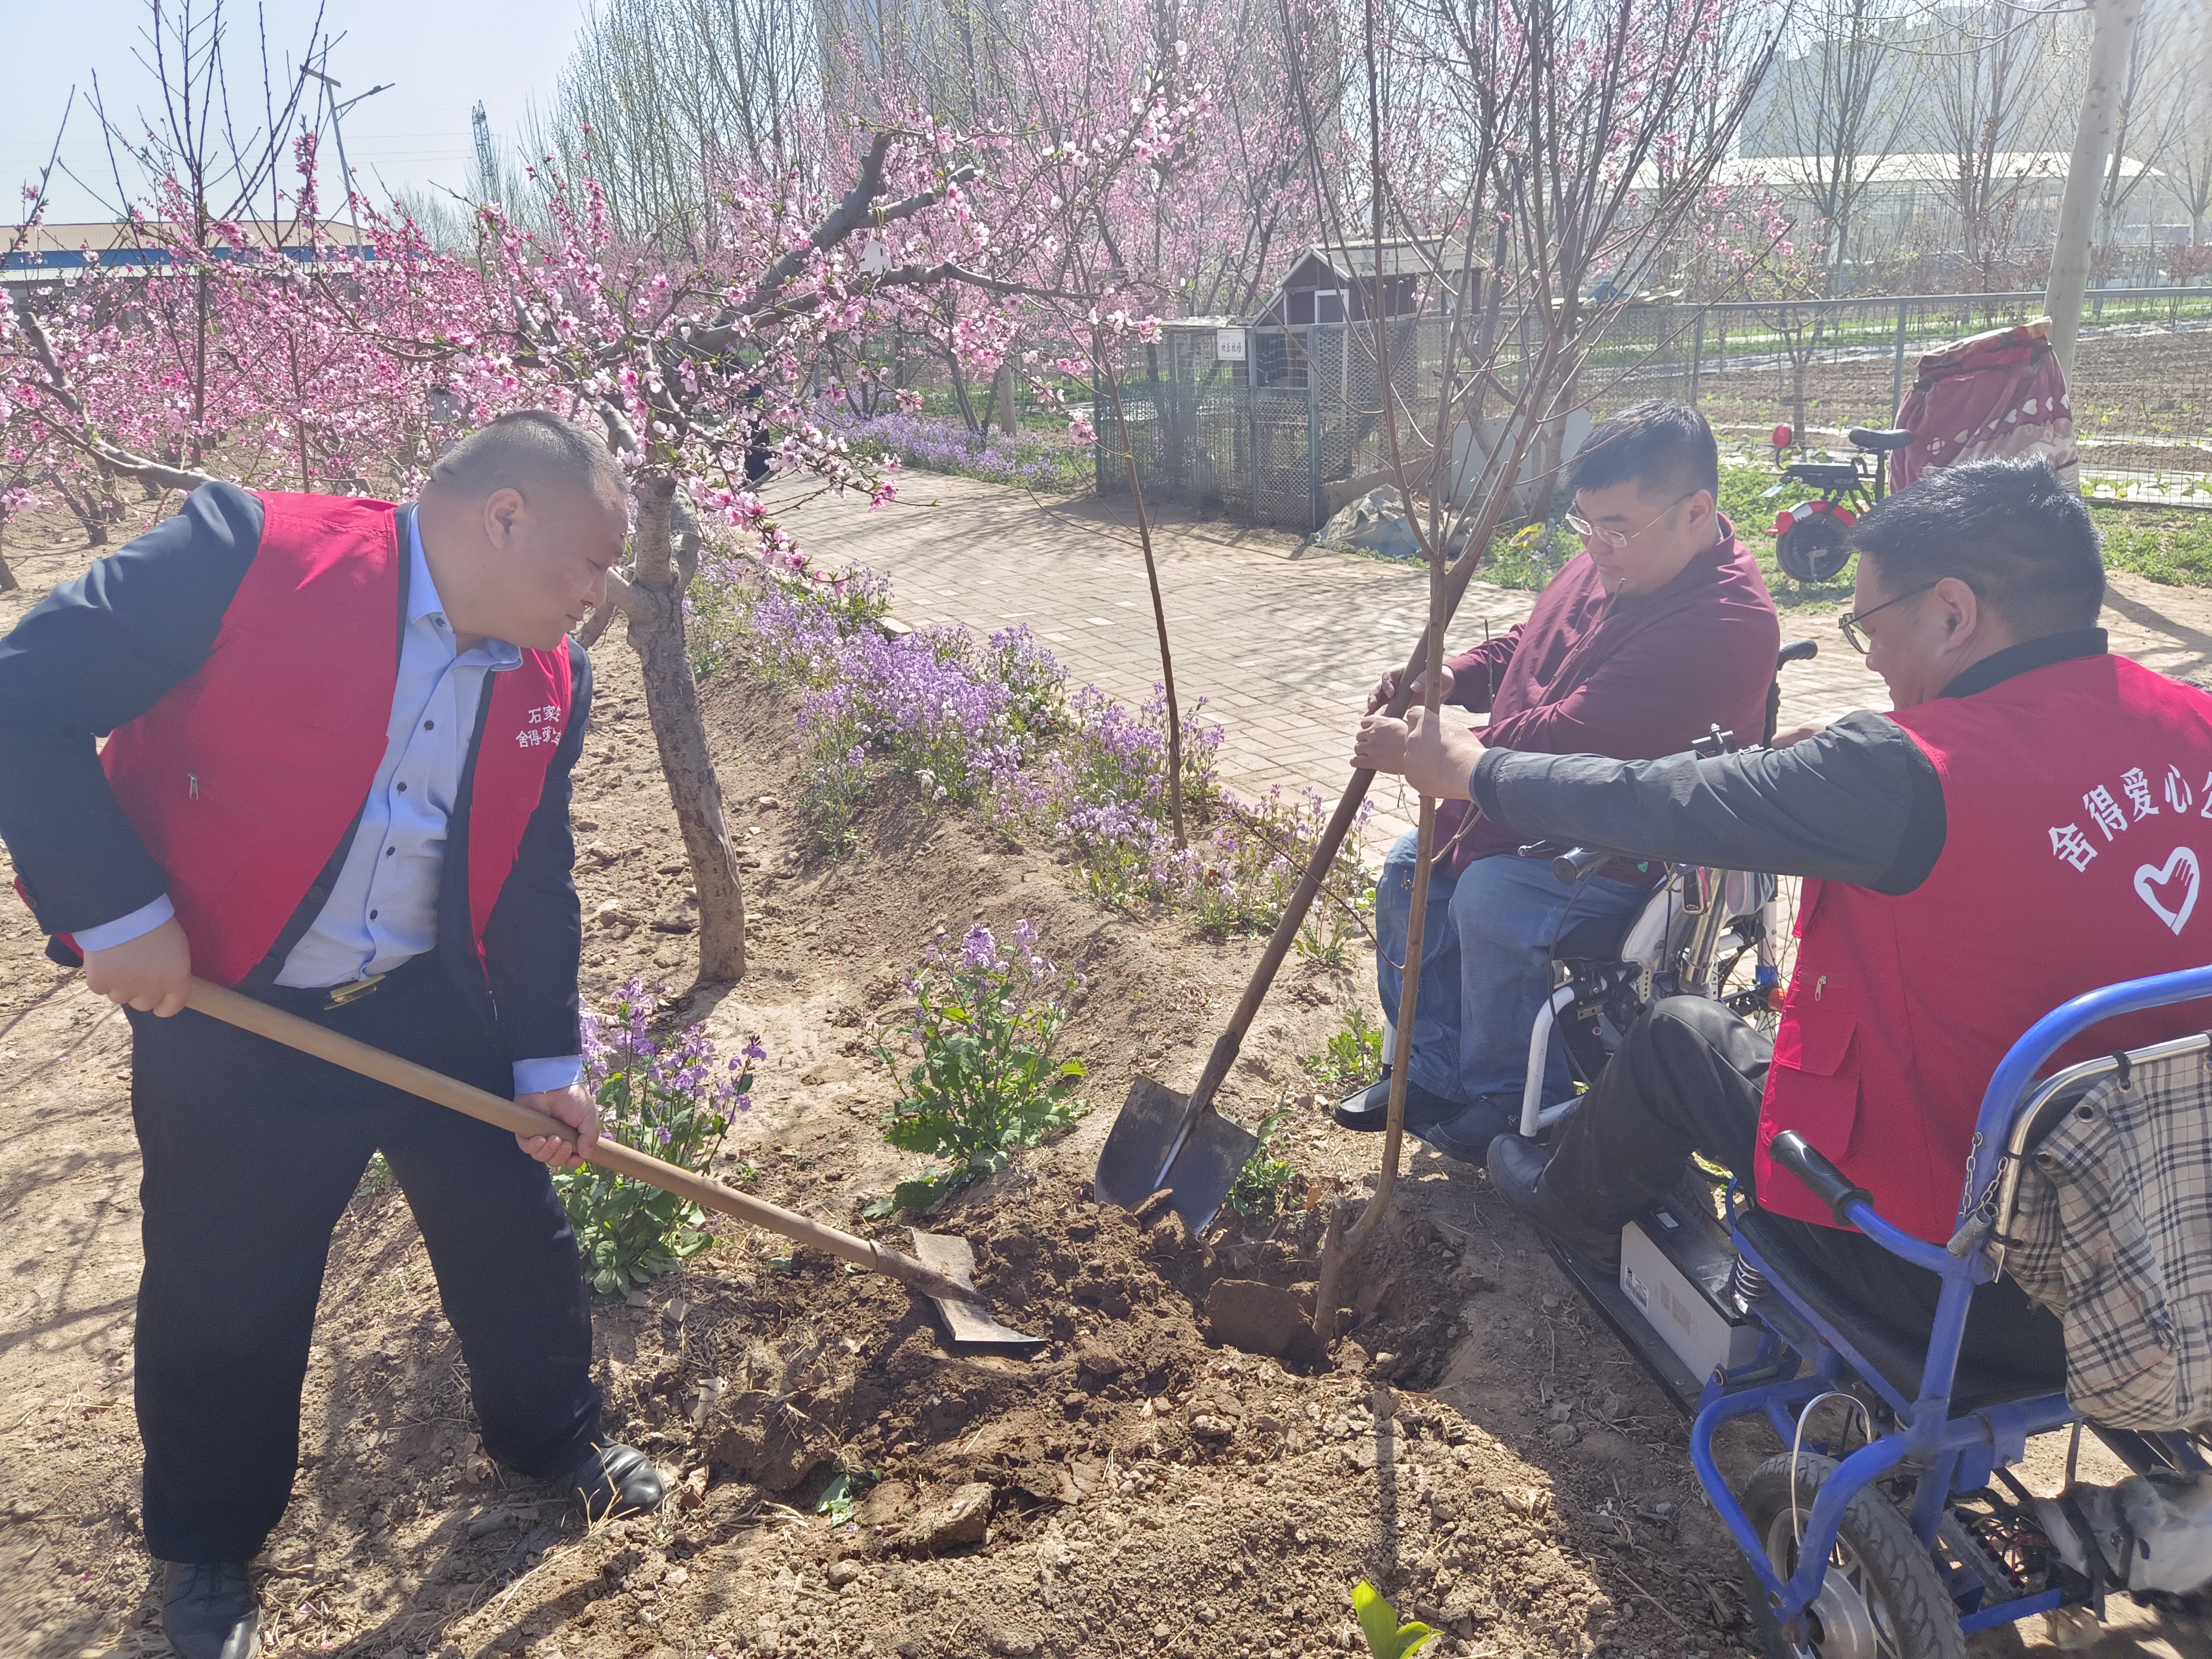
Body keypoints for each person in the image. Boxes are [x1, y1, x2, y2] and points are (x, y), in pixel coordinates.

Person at [0, 412, 664, 1659]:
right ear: (502, 516)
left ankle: (554, 1439)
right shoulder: (246, 553)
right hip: (231, 1006)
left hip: (424, 1001)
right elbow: (23, 696)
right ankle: (207, 1548)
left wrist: (545, 1065)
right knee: (225, 1292)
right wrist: (114, 913)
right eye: (590, 559)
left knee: (513, 1235)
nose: (601, 594)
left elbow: (529, 873)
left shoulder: (546, 679)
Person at [1352, 456, 2212, 1363]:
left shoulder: (1907, 769)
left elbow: (1658, 800)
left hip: (1939, 1275)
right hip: (2154, 1264)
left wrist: (1473, 770)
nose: (1870, 653)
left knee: (1682, 1035)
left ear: (1954, 611)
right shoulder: (2192, 723)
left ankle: (1563, 1205)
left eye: (1868, 622)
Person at [1344, 401, 1779, 1161]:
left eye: (1613, 528)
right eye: (1584, 525)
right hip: (1534, 801)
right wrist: (1453, 677)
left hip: (1628, 843)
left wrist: (1424, 745)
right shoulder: (1626, 558)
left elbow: (1564, 741)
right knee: (1410, 869)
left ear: (1696, 511)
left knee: (1490, 901)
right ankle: (1433, 1070)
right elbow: (1530, 642)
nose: (1595, 549)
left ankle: (1515, 1102)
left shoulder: (1722, 624)